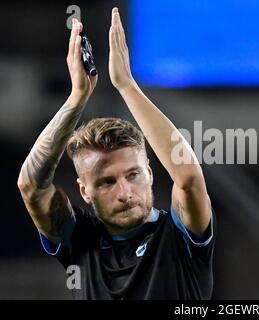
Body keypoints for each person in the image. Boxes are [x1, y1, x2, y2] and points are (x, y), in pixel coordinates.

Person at [16, 7, 215, 300]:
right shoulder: (80, 241)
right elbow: (31, 186)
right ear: (84, 191)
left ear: (148, 173)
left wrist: (127, 85)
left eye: (132, 175)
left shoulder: (180, 235)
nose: (125, 193)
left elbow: (188, 176)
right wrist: (77, 97)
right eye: (107, 182)